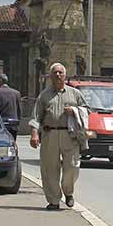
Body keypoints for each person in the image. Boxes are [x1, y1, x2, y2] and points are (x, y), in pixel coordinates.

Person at [28, 62, 87, 210]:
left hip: (70, 134)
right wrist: (34, 134)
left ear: (65, 75)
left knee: (72, 166)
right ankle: (54, 200)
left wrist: (74, 110)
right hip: (50, 134)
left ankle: (68, 192)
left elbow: (87, 111)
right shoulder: (44, 95)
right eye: (55, 73)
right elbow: (36, 116)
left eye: (60, 72)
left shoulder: (75, 93)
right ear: (50, 76)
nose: (58, 75)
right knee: (49, 168)